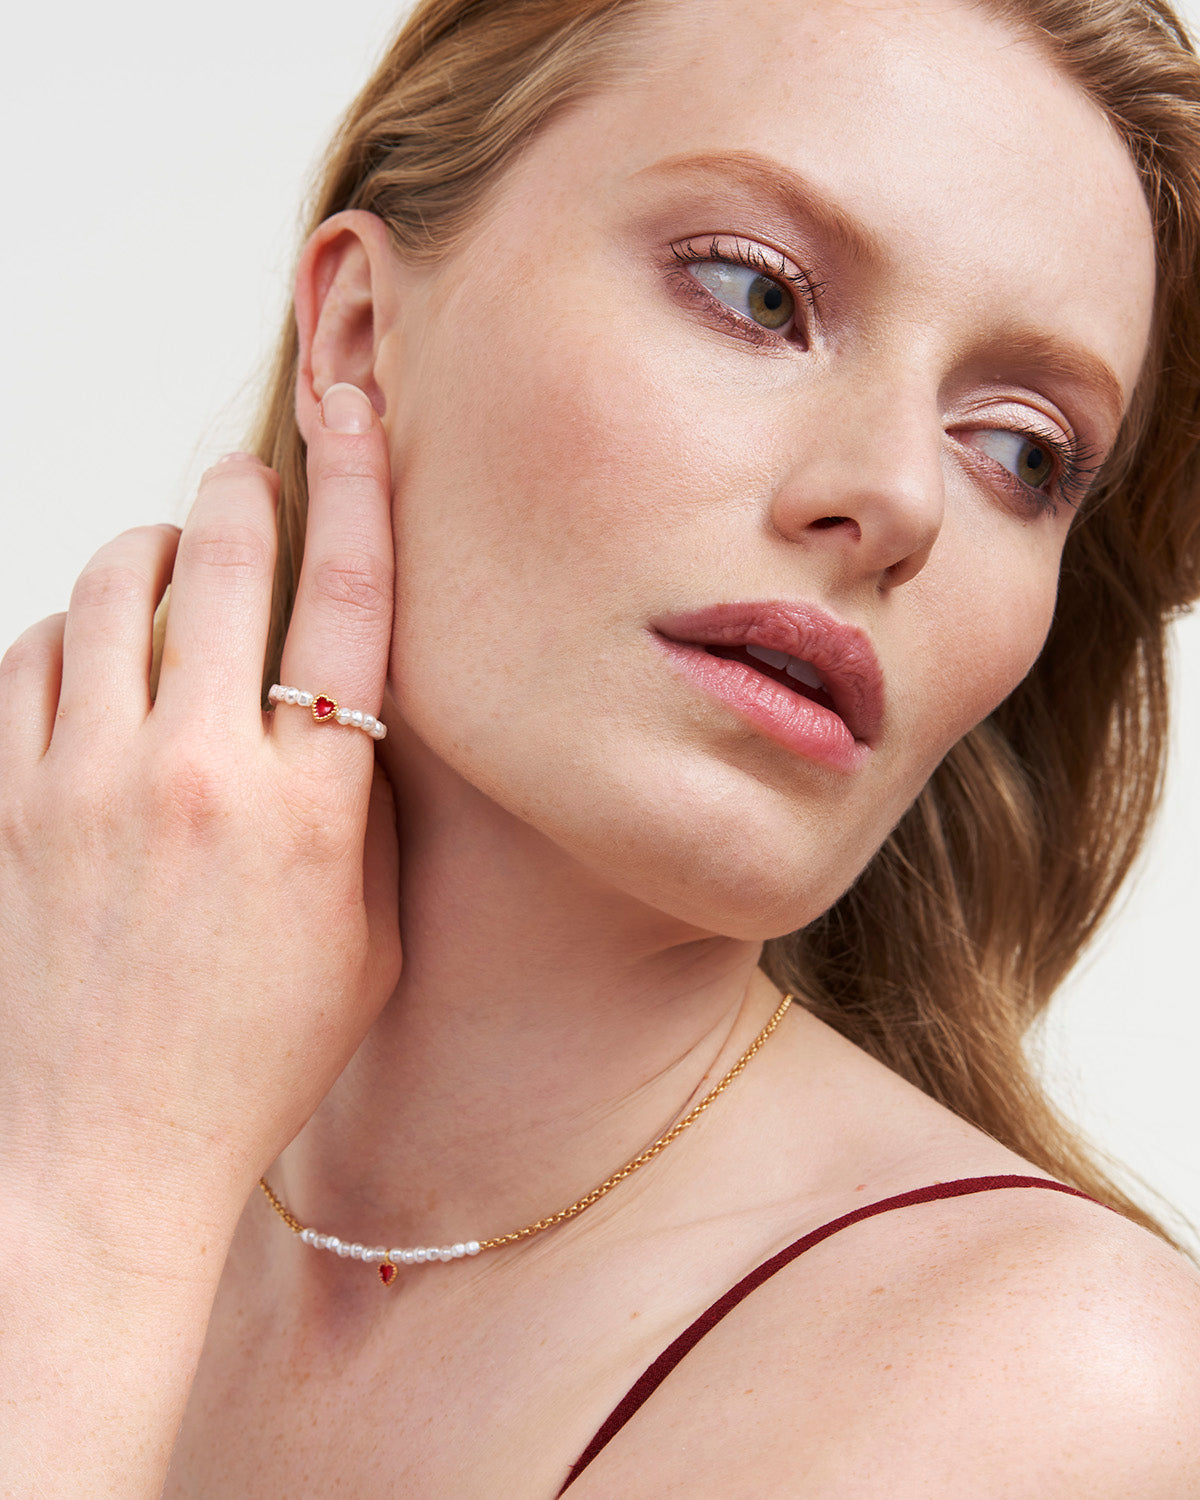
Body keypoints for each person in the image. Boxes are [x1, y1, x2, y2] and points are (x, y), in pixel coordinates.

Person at [4, 0, 1200, 1492]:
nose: (900, 499)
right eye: (760, 295)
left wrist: (95, 1196)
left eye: (1022, 450)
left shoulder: (1054, 1385)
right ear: (361, 337)